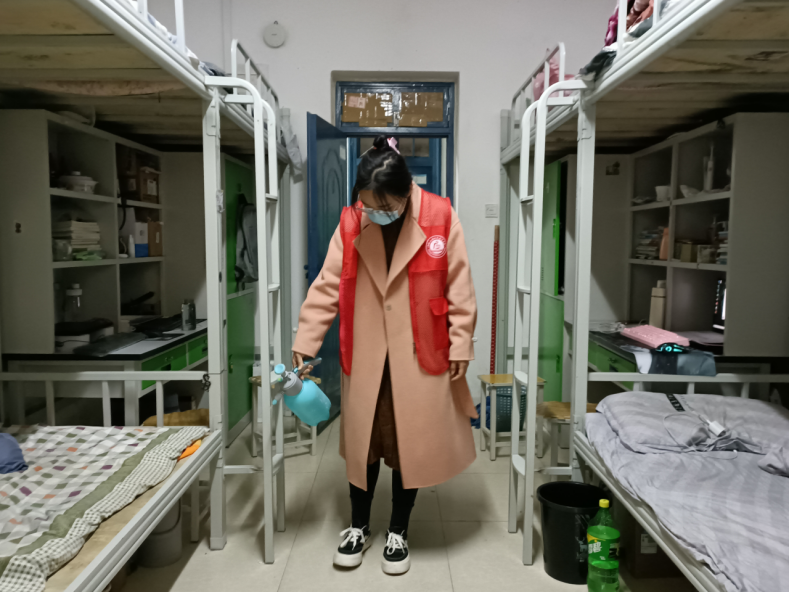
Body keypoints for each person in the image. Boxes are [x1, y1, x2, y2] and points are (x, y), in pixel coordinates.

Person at [292, 135, 478, 575]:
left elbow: (459, 286)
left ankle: (398, 530)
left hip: (420, 352)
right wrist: (306, 340)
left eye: (384, 204)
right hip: (367, 351)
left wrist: (461, 343)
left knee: (409, 443)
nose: (374, 211)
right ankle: (358, 526)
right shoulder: (352, 222)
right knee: (365, 443)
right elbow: (327, 283)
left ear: (405, 192)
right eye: (367, 203)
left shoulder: (440, 216)